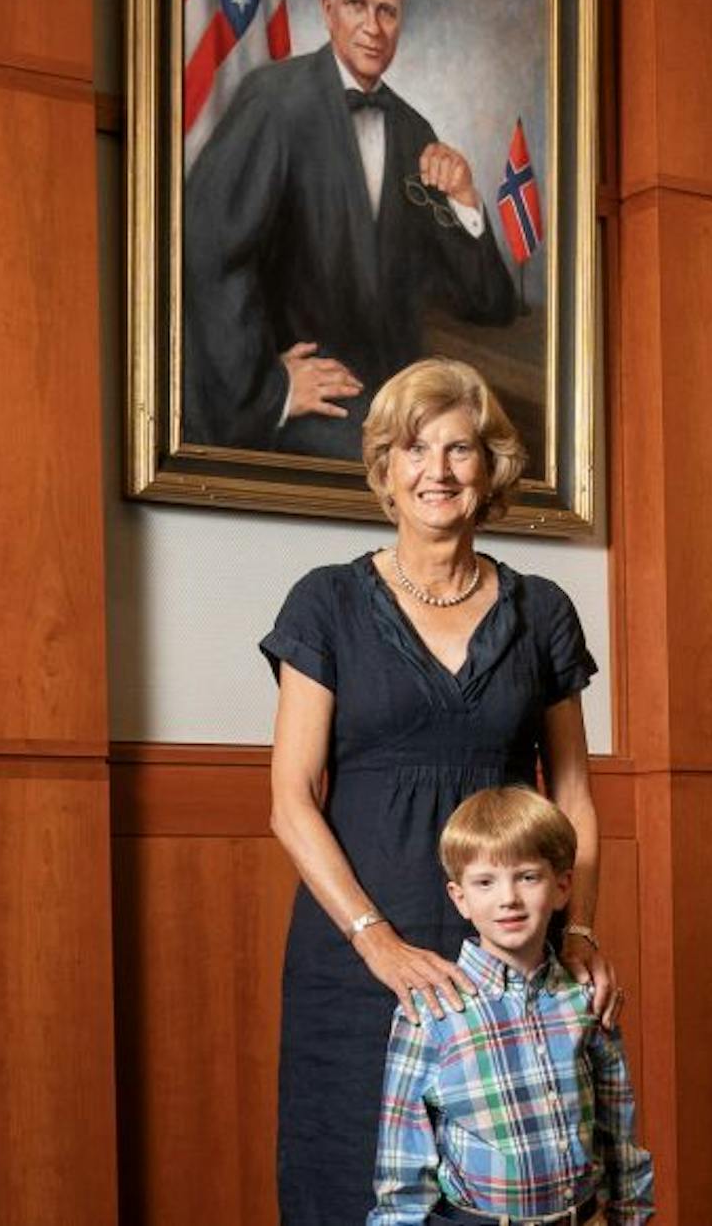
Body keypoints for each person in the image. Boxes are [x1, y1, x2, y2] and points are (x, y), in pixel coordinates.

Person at [264, 357, 618, 1226]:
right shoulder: (328, 603)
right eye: (414, 448)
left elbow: (572, 797)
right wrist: (375, 940)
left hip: (510, 962)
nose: (438, 470)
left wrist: (577, 933)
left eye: (459, 448)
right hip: (356, 970)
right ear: (385, 468)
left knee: (512, 1195)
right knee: (351, 1191)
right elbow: (290, 798)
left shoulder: (543, 613)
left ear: (490, 467)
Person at [183, 0, 521, 459]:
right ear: (326, 8)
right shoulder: (274, 102)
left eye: (387, 12)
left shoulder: (414, 131)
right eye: (356, 5)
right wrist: (272, 387)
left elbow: (490, 305)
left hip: (396, 410)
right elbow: (208, 255)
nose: (372, 27)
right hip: (298, 412)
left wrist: (465, 201)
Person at [369, 786, 655, 1225]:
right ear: (459, 897)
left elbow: (620, 1138)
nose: (508, 898)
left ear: (561, 887)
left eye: (527, 877)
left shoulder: (585, 999)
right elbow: (401, 1185)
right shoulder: (430, 1014)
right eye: (485, 882)